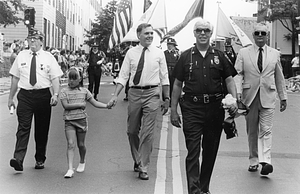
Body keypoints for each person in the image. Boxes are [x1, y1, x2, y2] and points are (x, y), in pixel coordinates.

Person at [170, 18, 238, 194]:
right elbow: (177, 84)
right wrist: (173, 110)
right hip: (192, 109)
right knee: (192, 151)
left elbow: (229, 80)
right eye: (199, 30)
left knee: (210, 150)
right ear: (194, 33)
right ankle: (194, 190)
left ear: (210, 34)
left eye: (206, 30)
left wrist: (234, 101)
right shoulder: (185, 56)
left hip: (215, 109)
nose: (202, 33)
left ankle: (203, 187)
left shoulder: (219, 56)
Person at [107, 23, 170, 180]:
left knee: (147, 132)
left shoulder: (159, 53)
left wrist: (167, 98)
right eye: (146, 33)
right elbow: (123, 76)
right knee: (132, 131)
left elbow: (165, 77)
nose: (150, 36)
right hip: (134, 93)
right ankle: (137, 158)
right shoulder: (131, 53)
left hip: (152, 93)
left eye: (151, 33)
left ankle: (143, 166)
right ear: (139, 35)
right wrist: (115, 95)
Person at [234, 22, 287, 175]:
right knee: (252, 131)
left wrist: (283, 97)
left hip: (268, 96)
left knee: (266, 130)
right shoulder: (244, 53)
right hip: (249, 98)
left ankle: (266, 162)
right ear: (253, 35)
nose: (259, 36)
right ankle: (253, 160)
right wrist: (237, 93)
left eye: (263, 33)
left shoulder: (274, 54)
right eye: (257, 33)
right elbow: (238, 74)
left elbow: (279, 76)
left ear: (267, 36)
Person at [8, 29, 63, 171]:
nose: (32, 41)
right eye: (30, 39)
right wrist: (11, 98)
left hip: (43, 95)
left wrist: (55, 94)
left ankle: (40, 158)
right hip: (25, 96)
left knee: (41, 129)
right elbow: (15, 78)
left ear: (41, 41)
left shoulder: (48, 57)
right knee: (23, 127)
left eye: (35, 39)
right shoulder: (21, 56)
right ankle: (18, 159)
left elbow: (55, 78)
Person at [60, 67, 110, 178]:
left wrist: (107, 106)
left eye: (74, 78)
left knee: (81, 144)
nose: (71, 81)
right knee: (70, 144)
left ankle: (82, 160)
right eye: (70, 78)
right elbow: (66, 106)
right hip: (69, 121)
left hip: (81, 121)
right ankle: (70, 168)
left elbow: (95, 103)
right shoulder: (64, 91)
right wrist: (79, 105)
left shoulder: (84, 91)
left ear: (80, 79)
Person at [164, 37, 180, 104]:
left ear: (174, 45)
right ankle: (167, 100)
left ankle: (173, 101)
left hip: (174, 73)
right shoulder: (164, 53)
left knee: (174, 87)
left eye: (171, 44)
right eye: (168, 44)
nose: (169, 46)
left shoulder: (177, 54)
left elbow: (179, 64)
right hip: (167, 72)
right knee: (167, 86)